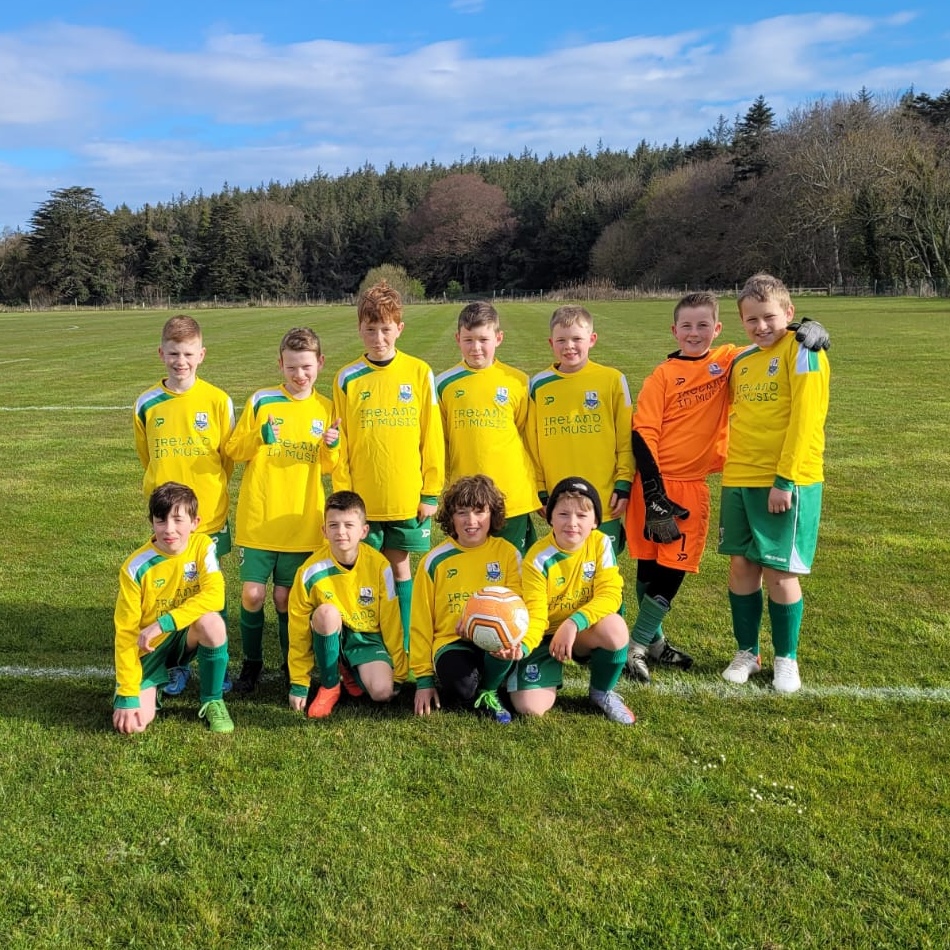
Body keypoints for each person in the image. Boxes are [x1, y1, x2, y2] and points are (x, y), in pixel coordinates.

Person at [623, 293, 830, 683]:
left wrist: (806, 327)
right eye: (686, 326)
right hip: (652, 486)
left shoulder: (729, 360)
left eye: (704, 325)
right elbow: (642, 431)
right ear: (674, 331)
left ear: (718, 329)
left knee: (673, 570)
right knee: (649, 566)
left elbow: (770, 336)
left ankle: (636, 644)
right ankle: (652, 640)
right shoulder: (662, 374)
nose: (695, 333)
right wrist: (653, 491)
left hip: (690, 487)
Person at [717, 274, 830, 694]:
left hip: (786, 480)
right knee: (742, 565)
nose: (761, 326)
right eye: (751, 319)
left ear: (789, 312)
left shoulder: (804, 351)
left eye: (769, 317)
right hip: (739, 477)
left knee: (779, 571)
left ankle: (787, 659)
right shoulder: (742, 360)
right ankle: (748, 651)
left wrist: (784, 479)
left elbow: (806, 420)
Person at [226, 327, 341, 694]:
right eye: (291, 367)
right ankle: (252, 663)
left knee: (285, 598)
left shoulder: (326, 409)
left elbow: (328, 466)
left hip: (301, 520)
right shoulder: (262, 401)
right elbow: (234, 450)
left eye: (306, 366)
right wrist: (259, 435)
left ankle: (292, 663)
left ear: (320, 364)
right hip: (260, 518)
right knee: (253, 595)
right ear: (280, 364)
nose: (299, 374)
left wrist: (331, 446)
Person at [332, 281, 445, 647]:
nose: (378, 337)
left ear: (400, 328)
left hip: (406, 495)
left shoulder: (418, 372)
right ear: (359, 329)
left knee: (399, 567)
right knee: (364, 570)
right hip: (364, 498)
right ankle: (369, 635)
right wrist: (344, 494)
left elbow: (432, 437)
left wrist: (430, 490)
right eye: (370, 329)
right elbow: (342, 440)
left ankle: (407, 640)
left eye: (385, 329)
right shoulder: (347, 377)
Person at [133, 314, 235, 697]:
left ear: (202, 354)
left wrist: (207, 498)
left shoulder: (218, 400)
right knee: (170, 589)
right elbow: (148, 456)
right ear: (161, 353)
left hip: (208, 515)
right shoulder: (147, 403)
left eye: (188, 353)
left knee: (211, 588)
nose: (181, 361)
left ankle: (216, 662)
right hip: (167, 519)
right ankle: (174, 663)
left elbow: (226, 458)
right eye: (173, 353)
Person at [508, 476, 635, 725]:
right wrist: (522, 648)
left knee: (616, 628)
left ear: (595, 521)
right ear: (550, 517)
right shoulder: (537, 558)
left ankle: (601, 692)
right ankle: (536, 669)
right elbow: (536, 614)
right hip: (544, 635)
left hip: (581, 630)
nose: (572, 523)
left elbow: (611, 595)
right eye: (563, 514)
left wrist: (573, 623)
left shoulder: (600, 544)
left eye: (582, 516)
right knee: (529, 708)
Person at [113, 482, 233, 734]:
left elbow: (215, 596)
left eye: (178, 520)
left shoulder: (203, 547)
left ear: (195, 522)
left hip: (182, 636)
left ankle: (213, 700)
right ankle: (154, 681)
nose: (169, 529)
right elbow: (125, 633)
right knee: (133, 725)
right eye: (161, 520)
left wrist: (163, 624)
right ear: (151, 521)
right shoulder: (135, 567)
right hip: (148, 650)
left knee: (212, 623)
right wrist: (126, 694)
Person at [409, 475, 523, 723]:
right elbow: (420, 621)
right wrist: (424, 680)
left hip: (495, 641)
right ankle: (475, 684)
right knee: (462, 688)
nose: (471, 521)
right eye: (462, 512)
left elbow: (519, 605)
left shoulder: (507, 554)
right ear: (451, 517)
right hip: (452, 641)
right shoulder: (435, 561)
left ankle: (489, 690)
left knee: (503, 635)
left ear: (492, 514)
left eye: (479, 512)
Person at [286, 490, 407, 718]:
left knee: (382, 692)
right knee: (326, 613)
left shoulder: (380, 566)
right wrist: (299, 682)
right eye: (333, 525)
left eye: (349, 525)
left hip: (367, 639)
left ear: (364, 531)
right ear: (324, 530)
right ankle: (330, 685)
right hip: (332, 631)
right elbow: (298, 630)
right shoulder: (310, 571)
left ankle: (348, 670)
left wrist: (399, 672)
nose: (341, 532)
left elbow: (392, 621)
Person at [526, 305, 635, 554]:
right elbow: (531, 444)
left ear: (592, 339)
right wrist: (541, 490)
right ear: (551, 342)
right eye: (561, 340)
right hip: (559, 499)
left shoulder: (612, 380)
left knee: (605, 568)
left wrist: (623, 483)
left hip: (606, 496)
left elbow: (626, 439)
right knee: (568, 567)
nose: (569, 346)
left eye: (577, 338)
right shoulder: (538, 385)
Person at [435, 301, 540, 554]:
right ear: (457, 338)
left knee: (514, 569)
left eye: (483, 339)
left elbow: (527, 435)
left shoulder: (518, 381)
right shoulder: (442, 384)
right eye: (468, 340)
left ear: (499, 338)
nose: (476, 348)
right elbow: (440, 442)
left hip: (511, 495)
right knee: (471, 567)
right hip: (465, 499)